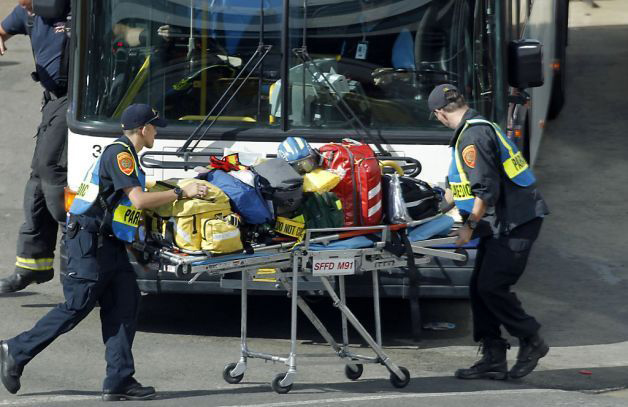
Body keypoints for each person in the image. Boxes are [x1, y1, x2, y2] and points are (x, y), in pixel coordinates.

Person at [0, 104, 209, 401]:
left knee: (125, 304)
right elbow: (137, 201)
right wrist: (180, 192)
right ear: (142, 129)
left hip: (108, 243)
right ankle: (15, 349)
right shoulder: (120, 155)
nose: (157, 132)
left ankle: (119, 380)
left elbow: (121, 207)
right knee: (76, 306)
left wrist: (138, 249)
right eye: (154, 127)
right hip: (88, 244)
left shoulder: (126, 155)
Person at [428, 84, 550, 380]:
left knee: (492, 287)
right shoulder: (474, 129)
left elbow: (486, 190)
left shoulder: (473, 136)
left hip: (515, 222)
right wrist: (427, 211)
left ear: (439, 113)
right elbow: (461, 187)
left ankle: (531, 338)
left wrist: (467, 228)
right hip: (498, 223)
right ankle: (493, 356)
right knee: (478, 288)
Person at [0, 0, 70, 293]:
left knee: (49, 169)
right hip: (52, 101)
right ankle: (33, 264)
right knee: (37, 183)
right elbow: (2, 29)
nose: (23, 3)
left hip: (77, 101)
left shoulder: (73, 9)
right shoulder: (26, 13)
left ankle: (79, 245)